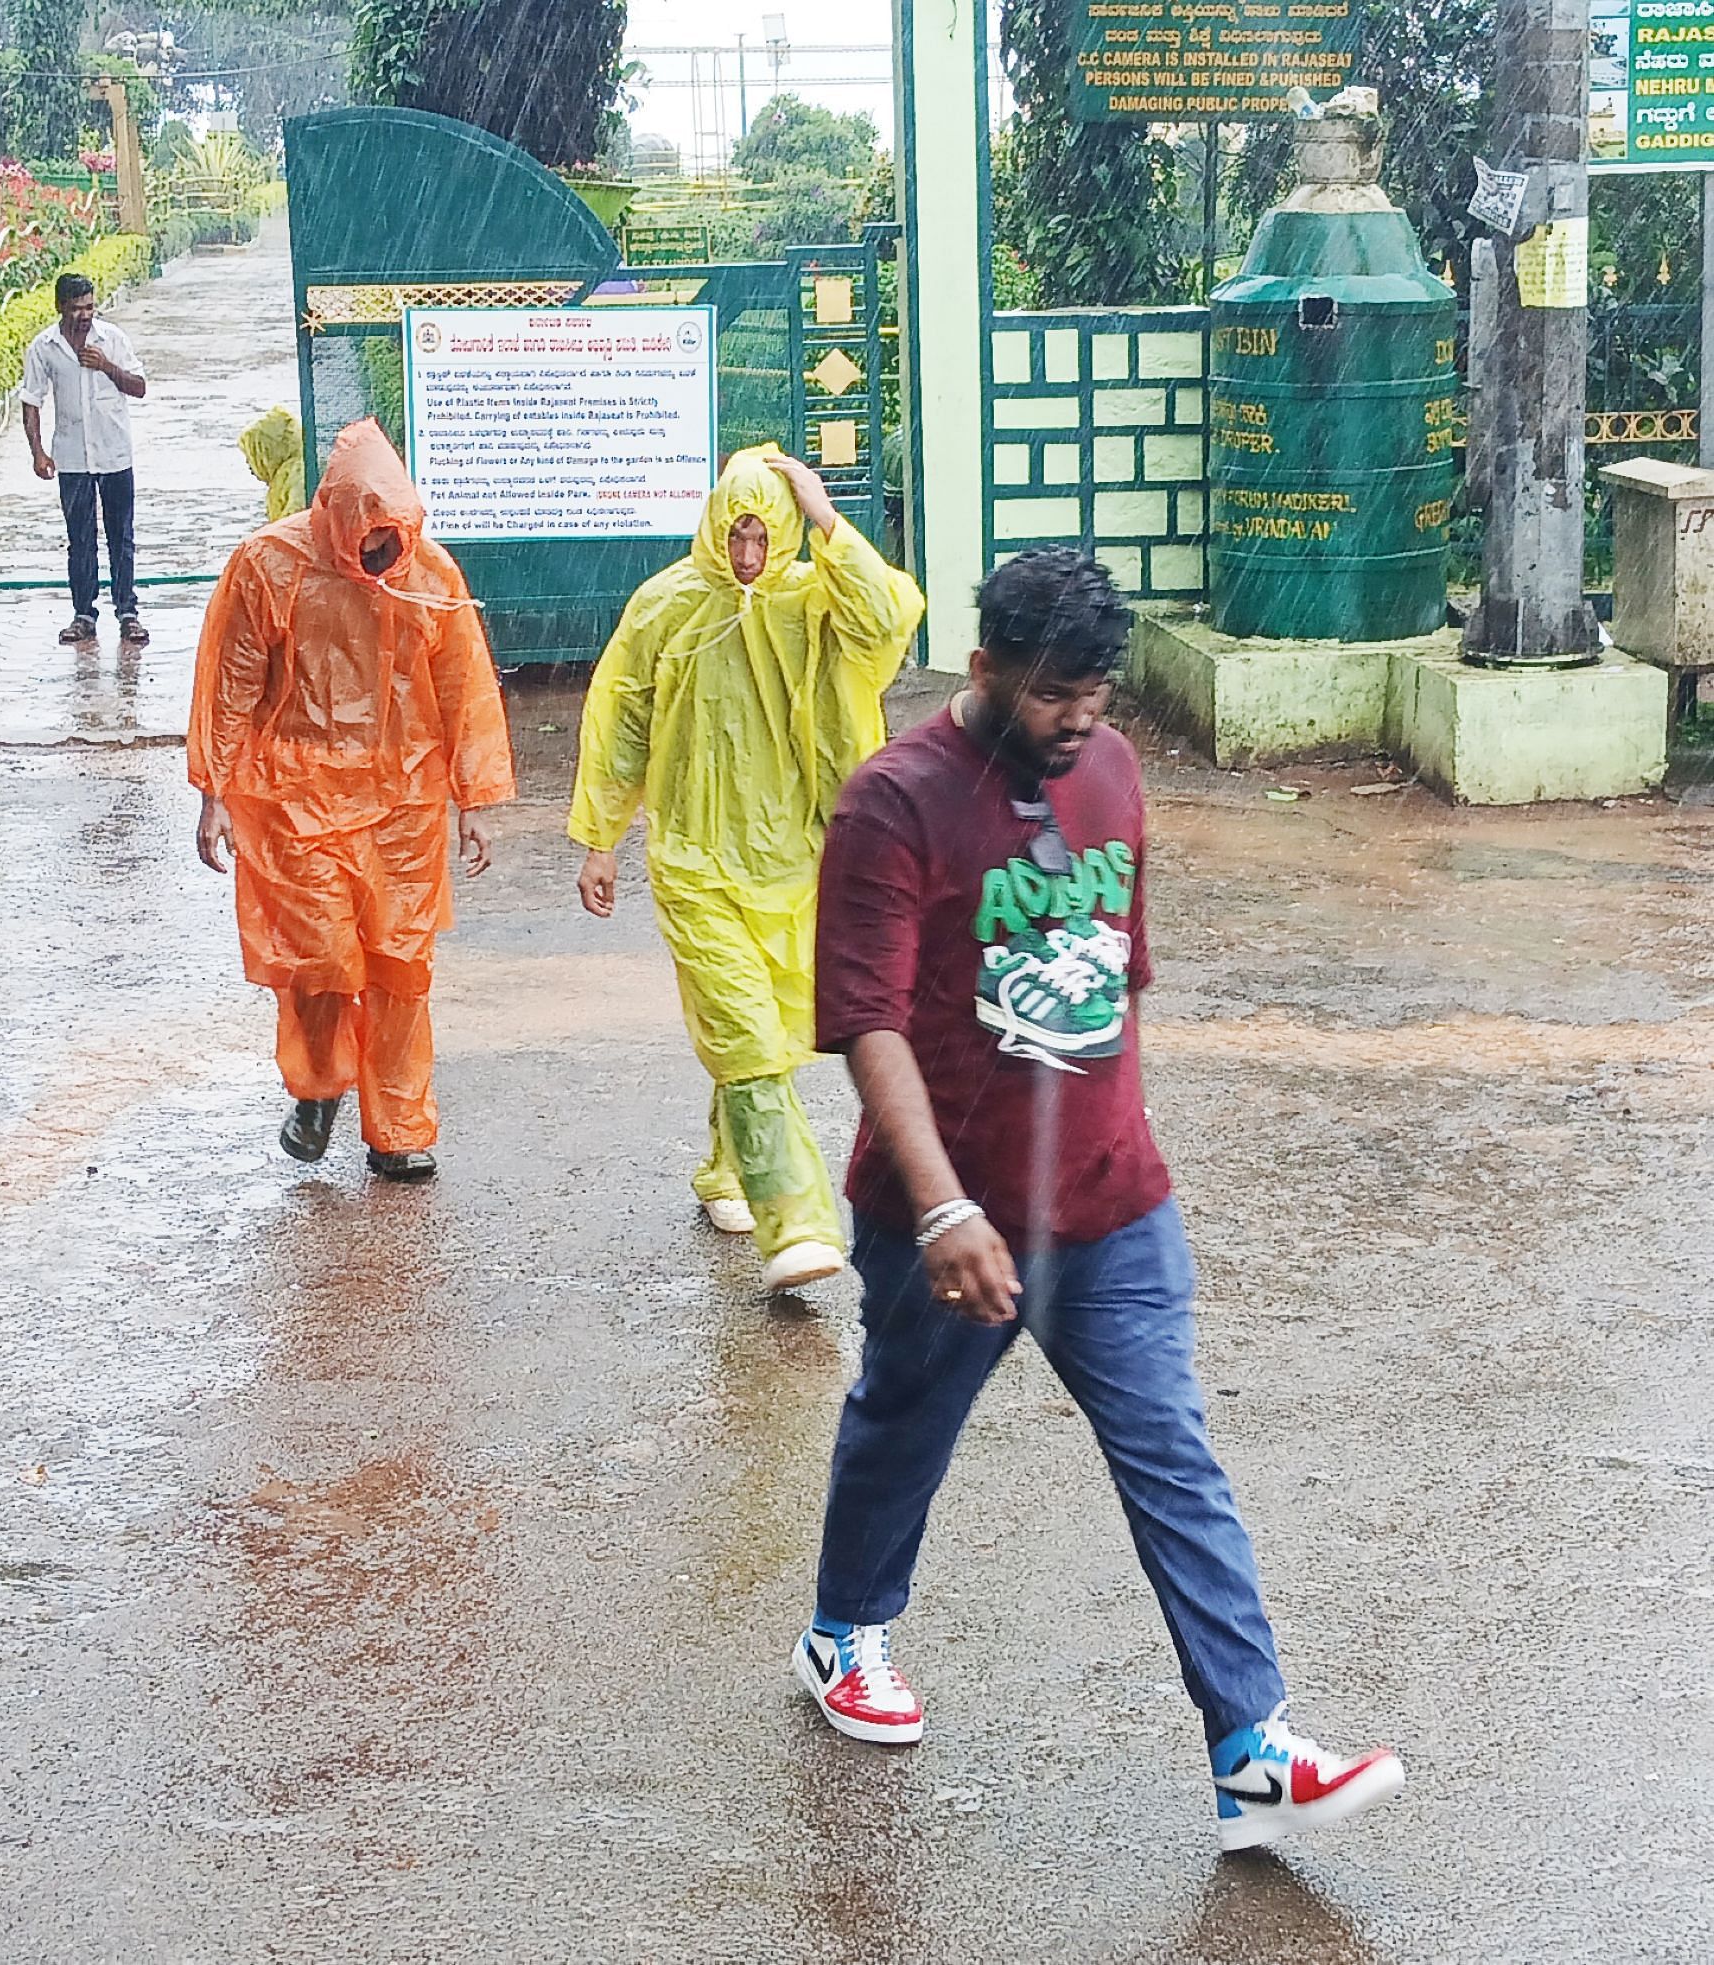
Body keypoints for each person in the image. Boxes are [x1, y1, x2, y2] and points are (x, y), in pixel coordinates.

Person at [796, 547, 1404, 1854]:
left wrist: (1120, 1137)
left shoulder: (1112, 771)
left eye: (1097, 693)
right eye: (1056, 694)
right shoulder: (892, 806)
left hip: (1111, 1203)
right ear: (986, 669)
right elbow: (866, 1023)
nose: (1081, 719)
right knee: (901, 1429)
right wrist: (949, 1208)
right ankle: (844, 1629)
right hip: (941, 1220)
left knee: (1171, 1453)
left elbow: (1117, 972)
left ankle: (1251, 1745)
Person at [569, 444, 923, 1294]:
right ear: (716, 527)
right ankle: (796, 1218)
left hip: (798, 856)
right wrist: (601, 836)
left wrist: (827, 515)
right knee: (744, 1029)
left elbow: (889, 618)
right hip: (692, 858)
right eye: (739, 535)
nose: (751, 556)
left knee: (764, 1023)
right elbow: (620, 722)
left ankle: (727, 1170)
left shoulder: (815, 605)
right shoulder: (667, 609)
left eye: (768, 536)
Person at [188, 418, 512, 1182]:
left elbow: (465, 685)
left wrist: (476, 797)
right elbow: (230, 681)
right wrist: (215, 790)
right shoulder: (269, 564)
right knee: (320, 960)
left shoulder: (427, 573)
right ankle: (319, 1086)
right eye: (365, 535)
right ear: (331, 510)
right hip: (294, 796)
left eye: (388, 536)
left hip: (401, 801)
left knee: (401, 966)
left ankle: (399, 1129)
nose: (376, 553)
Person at [21, 273, 147, 648]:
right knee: (79, 538)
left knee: (121, 536)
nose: (84, 315)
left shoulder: (113, 340)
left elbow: (139, 388)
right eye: (76, 308)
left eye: (89, 306)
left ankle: (128, 612)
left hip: (114, 453)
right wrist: (38, 452)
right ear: (60, 306)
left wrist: (107, 366)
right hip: (73, 457)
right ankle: (83, 614)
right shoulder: (44, 347)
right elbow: (31, 401)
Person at [240, 406, 304, 523]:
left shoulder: (298, 477)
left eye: (253, 456)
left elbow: (292, 529)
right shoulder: (288, 475)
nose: (249, 464)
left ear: (268, 452)